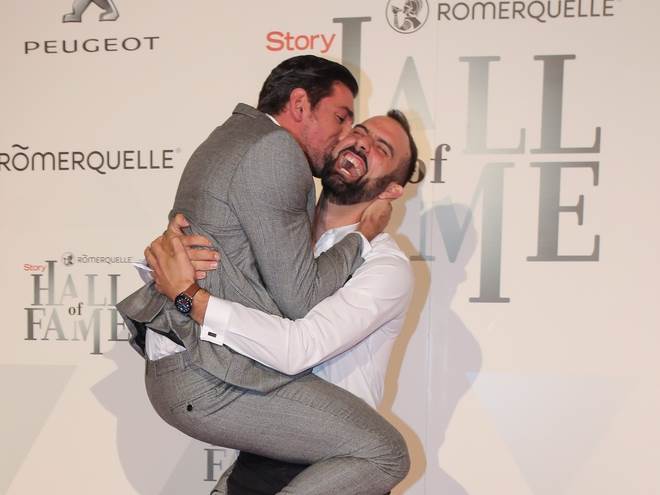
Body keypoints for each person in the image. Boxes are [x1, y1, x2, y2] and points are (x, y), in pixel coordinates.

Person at [117, 56, 409, 494]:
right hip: (221, 384)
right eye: (347, 121)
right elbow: (297, 298)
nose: (350, 137)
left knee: (379, 454)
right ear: (300, 104)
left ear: (393, 189)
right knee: (385, 453)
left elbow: (296, 342)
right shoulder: (277, 158)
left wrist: (185, 293)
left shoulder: (384, 265)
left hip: (309, 447)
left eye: (381, 148)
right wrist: (361, 236)